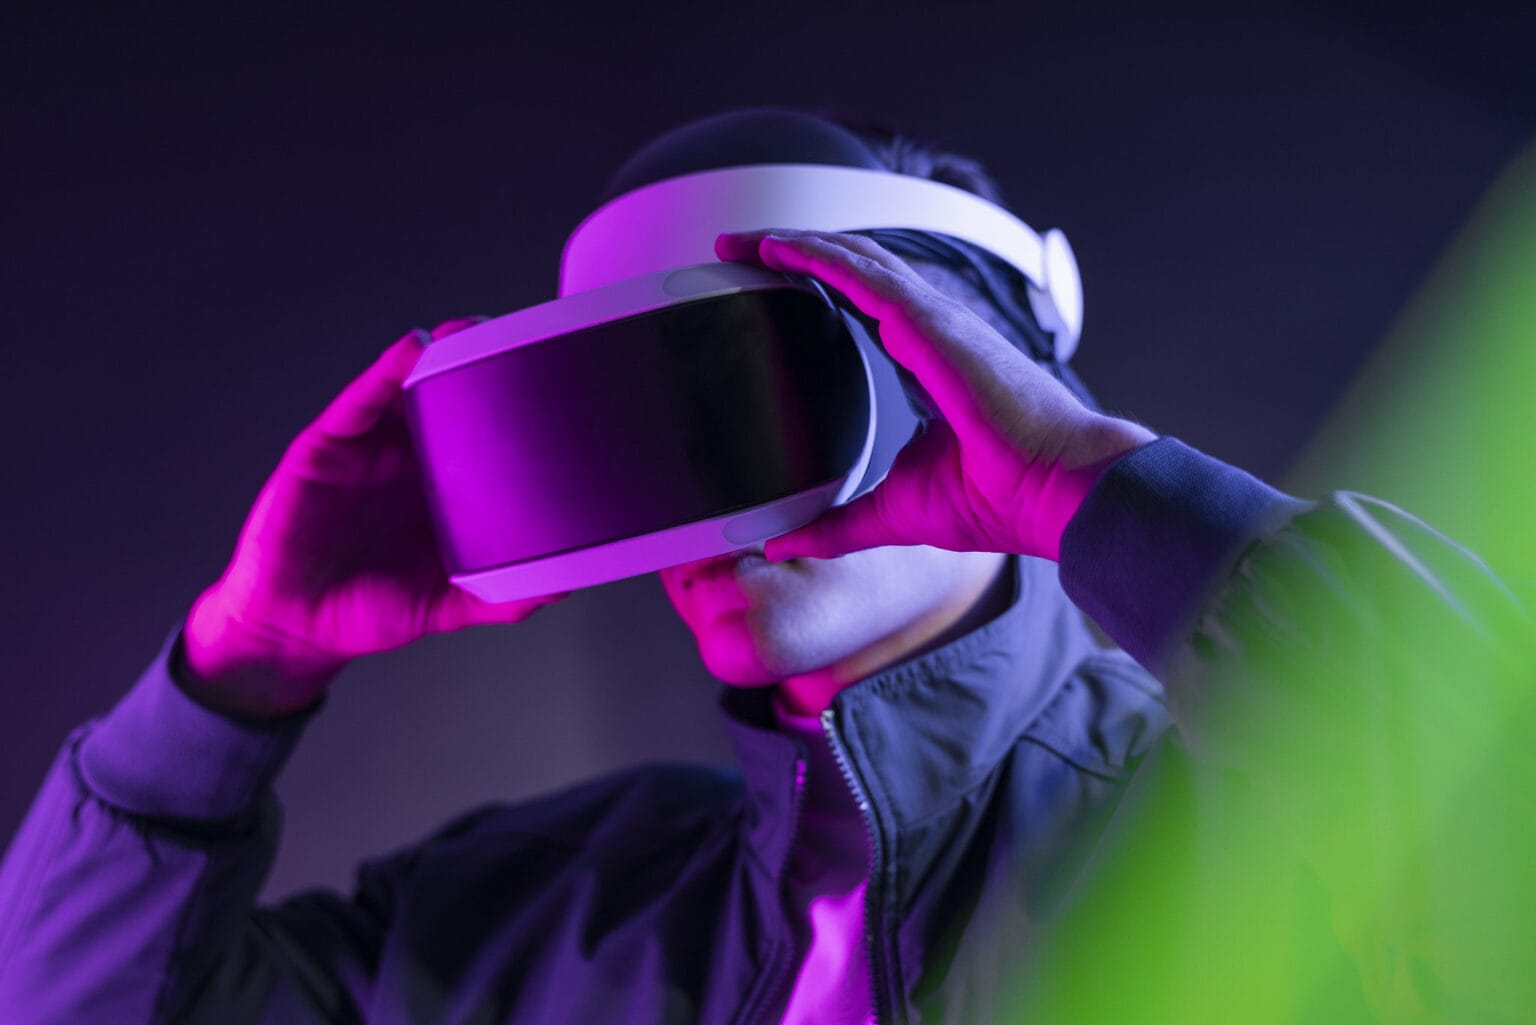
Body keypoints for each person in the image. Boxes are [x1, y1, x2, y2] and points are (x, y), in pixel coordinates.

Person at [0, 108, 1529, 1025]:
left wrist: (1095, 486)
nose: (703, 494)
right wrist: (240, 666)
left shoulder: (1276, 821)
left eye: (753, 388)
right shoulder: (531, 916)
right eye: (635, 419)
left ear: (976, 373)